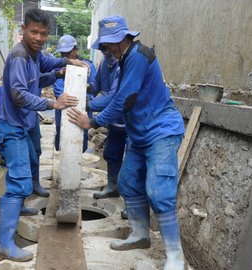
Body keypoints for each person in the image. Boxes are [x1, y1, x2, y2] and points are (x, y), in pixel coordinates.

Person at [67, 15, 186, 270]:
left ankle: (175, 257)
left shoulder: (139, 56)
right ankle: (140, 236)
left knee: (158, 191)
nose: (106, 49)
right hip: (140, 134)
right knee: (128, 182)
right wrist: (84, 103)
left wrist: (94, 122)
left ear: (122, 39)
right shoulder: (124, 61)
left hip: (161, 131)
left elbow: (125, 101)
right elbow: (114, 96)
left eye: (109, 44)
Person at [0, 8, 88, 262]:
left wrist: (67, 63)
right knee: (19, 180)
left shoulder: (35, 55)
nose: (38, 37)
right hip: (12, 127)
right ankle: (4, 243)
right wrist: (52, 104)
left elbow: (49, 64)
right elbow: (18, 94)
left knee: (30, 164)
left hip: (25, 124)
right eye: (33, 32)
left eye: (43, 34)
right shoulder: (18, 57)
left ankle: (19, 203)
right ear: (22, 30)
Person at [87, 49, 127, 200]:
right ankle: (112, 187)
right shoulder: (104, 64)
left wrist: (88, 105)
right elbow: (96, 85)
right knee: (111, 153)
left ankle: (132, 201)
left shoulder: (123, 66)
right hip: (114, 120)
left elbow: (112, 98)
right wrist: (84, 88)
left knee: (132, 162)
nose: (107, 52)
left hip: (129, 121)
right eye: (103, 49)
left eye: (109, 48)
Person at [53, 35, 97, 152]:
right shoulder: (58, 67)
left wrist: (82, 98)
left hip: (82, 111)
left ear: (76, 50)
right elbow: (58, 90)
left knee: (80, 144)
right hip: (63, 110)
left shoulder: (88, 66)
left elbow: (94, 88)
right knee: (61, 144)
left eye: (68, 52)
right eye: (63, 53)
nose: (65, 56)